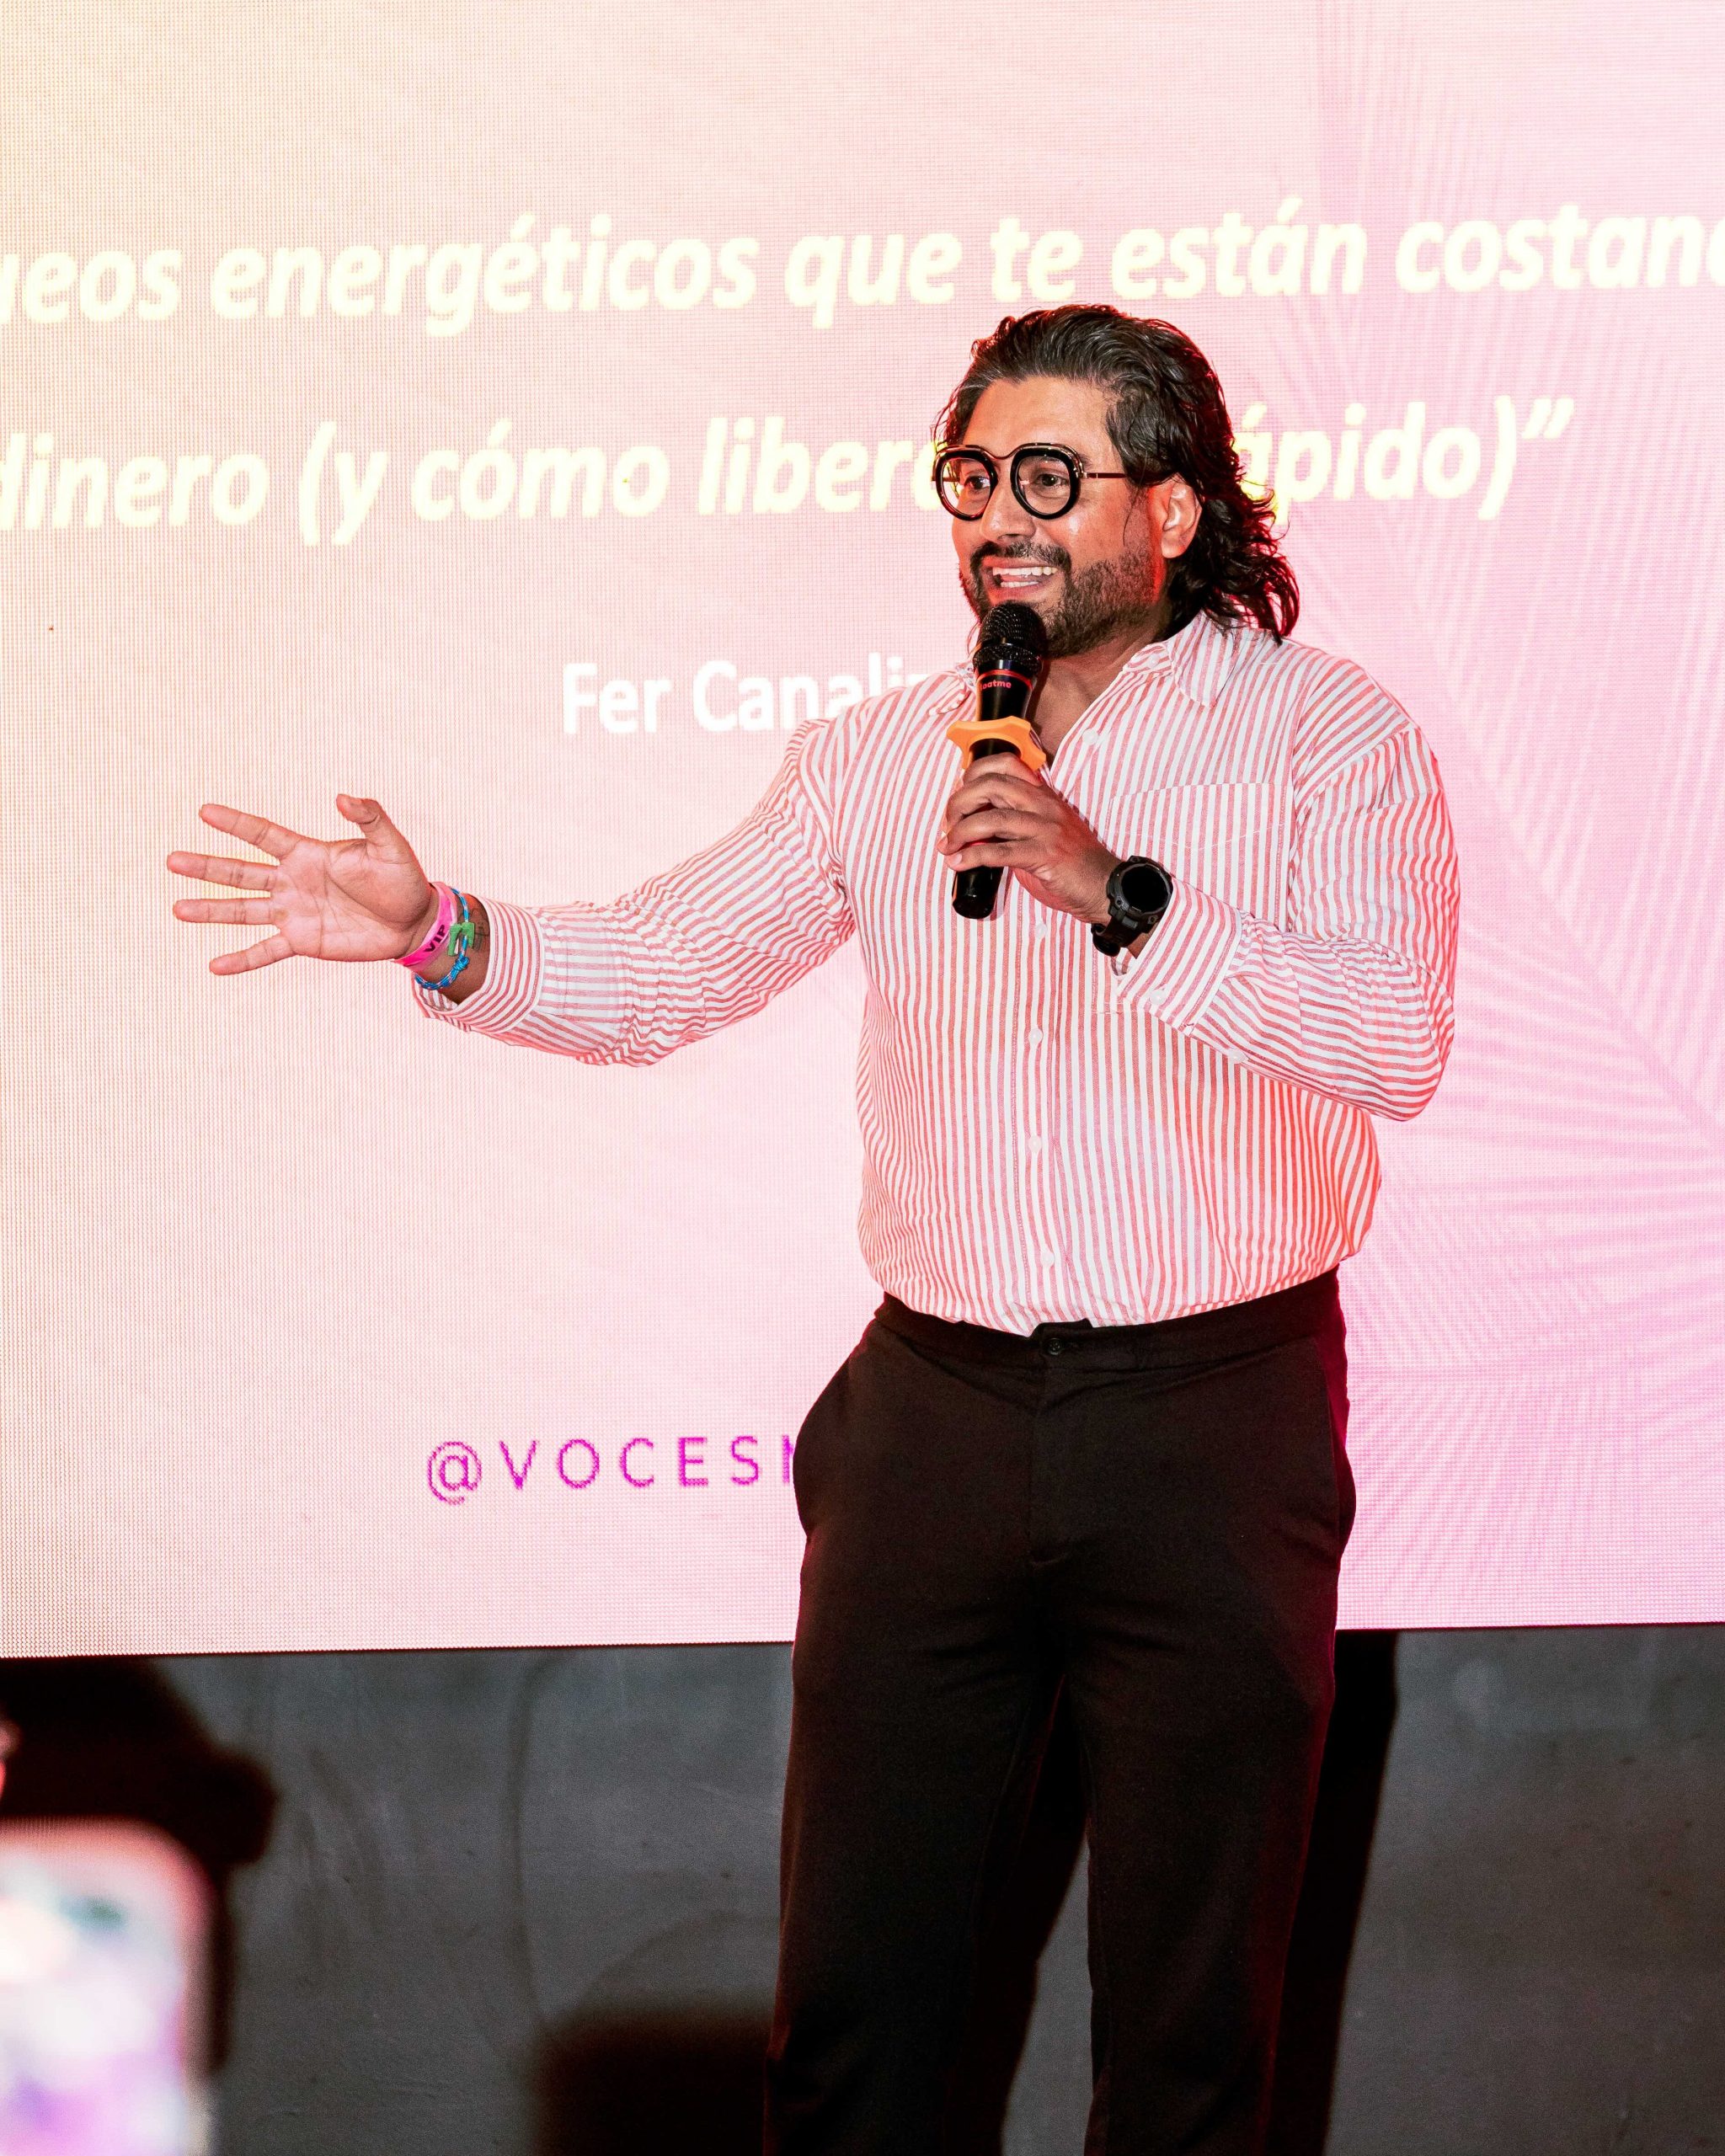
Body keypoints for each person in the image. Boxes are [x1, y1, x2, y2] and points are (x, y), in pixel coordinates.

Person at [168, 305, 1460, 2154]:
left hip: (1211, 1417)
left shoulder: (1330, 737)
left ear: (1171, 509)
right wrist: (435, 929)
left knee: (1189, 2038)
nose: (996, 518)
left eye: (1048, 476)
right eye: (970, 477)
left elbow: (1391, 1040)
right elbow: (661, 967)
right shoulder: (880, 755)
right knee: (854, 2015)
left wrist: (1111, 889)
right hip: (934, 1422)